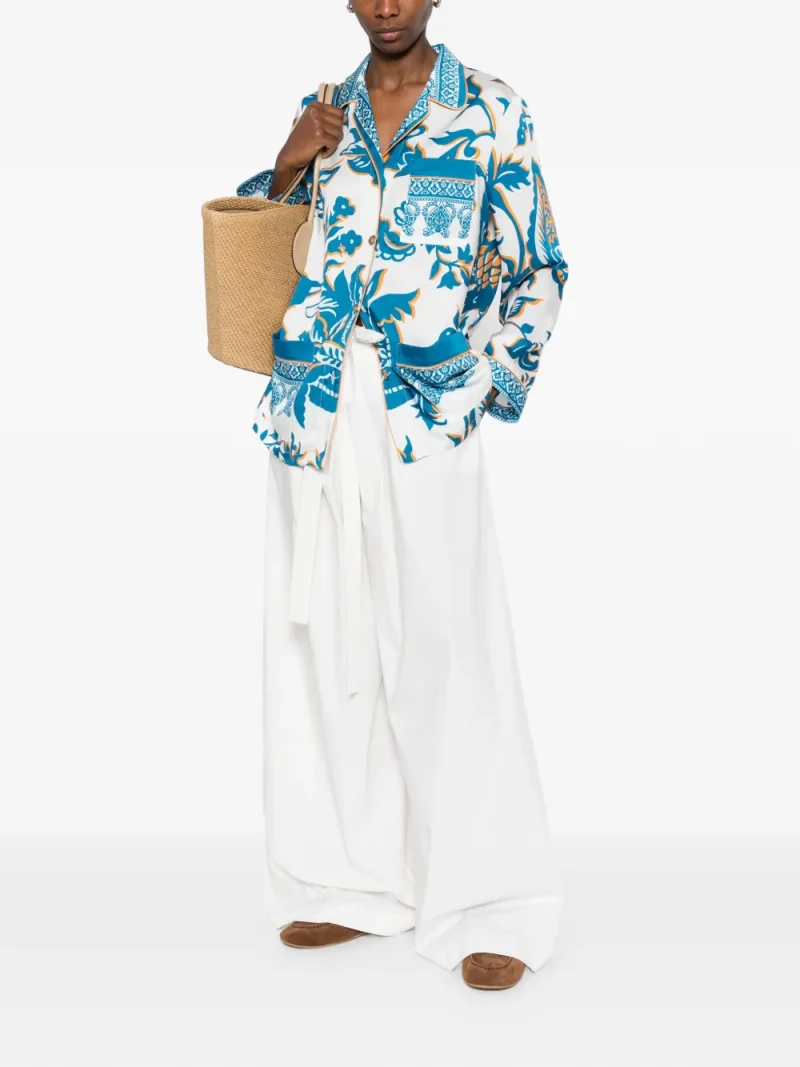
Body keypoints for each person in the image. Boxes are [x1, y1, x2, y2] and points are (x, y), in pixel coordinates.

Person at [236, 0, 569, 991]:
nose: (386, 4)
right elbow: (259, 250)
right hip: (313, 405)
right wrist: (287, 162)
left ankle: (490, 900)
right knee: (324, 644)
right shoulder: (323, 109)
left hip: (424, 412)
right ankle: (347, 883)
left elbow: (539, 268)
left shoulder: (492, 110)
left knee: (449, 646)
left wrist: (480, 386)